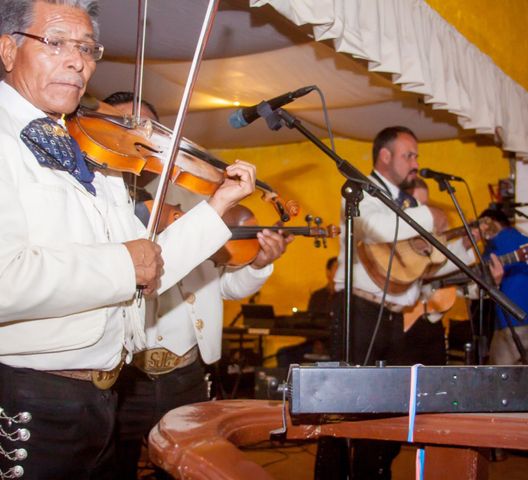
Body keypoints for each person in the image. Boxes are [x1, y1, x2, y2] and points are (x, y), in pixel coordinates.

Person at [0, 2, 256, 478]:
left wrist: (218, 206)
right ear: (8, 49)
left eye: (87, 48)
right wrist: (122, 265)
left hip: (102, 401)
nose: (77, 61)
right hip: (28, 399)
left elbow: (149, 265)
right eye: (55, 43)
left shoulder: (96, 157)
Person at [104, 92, 293, 479]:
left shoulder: (191, 204)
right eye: (125, 129)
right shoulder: (96, 205)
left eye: (150, 134)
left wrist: (258, 264)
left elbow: (221, 288)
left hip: (186, 375)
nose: (138, 141)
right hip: (124, 378)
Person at [316, 126, 440, 480]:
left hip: (395, 316)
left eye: (416, 155)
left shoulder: (409, 203)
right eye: (409, 155)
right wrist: (431, 215)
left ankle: (376, 472)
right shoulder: (359, 193)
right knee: (344, 407)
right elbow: (379, 229)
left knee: (389, 410)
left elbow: (423, 258)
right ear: (384, 156)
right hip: (359, 310)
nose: (416, 162)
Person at [477, 208, 528, 365]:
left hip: (513, 322)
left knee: (500, 380)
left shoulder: (497, 244)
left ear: (491, 223)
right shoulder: (526, 241)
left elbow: (483, 274)